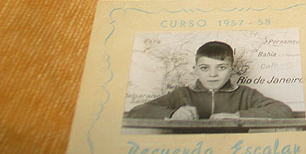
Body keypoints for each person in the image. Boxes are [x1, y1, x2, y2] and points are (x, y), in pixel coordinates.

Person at [125, 41, 293, 120]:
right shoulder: (182, 94)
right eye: (205, 68)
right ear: (195, 70)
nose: (213, 75)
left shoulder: (245, 94)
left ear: (232, 69)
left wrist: (237, 116)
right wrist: (172, 114)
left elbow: (283, 111)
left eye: (221, 67)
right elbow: (136, 112)